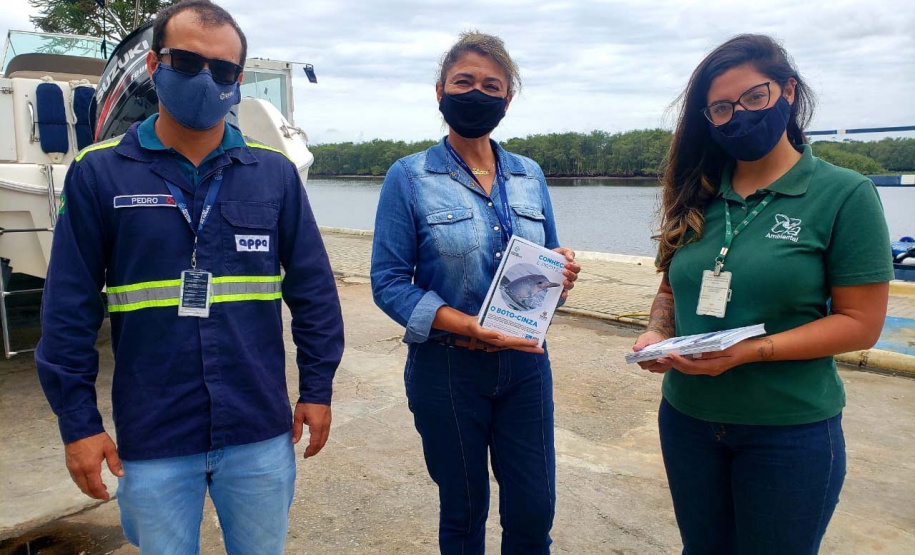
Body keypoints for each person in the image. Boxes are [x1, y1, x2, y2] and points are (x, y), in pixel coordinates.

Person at [35, 1, 344, 553]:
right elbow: (67, 313)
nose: (207, 78)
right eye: (186, 62)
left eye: (223, 70)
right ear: (154, 65)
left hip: (258, 431)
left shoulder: (272, 174)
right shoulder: (98, 174)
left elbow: (314, 291)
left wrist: (317, 388)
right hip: (154, 437)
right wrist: (78, 424)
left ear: (238, 80)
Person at [633, 34, 893, 554]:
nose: (740, 115)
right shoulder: (698, 191)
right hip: (688, 422)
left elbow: (860, 322)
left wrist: (749, 352)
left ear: (788, 91)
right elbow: (672, 281)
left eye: (755, 97)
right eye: (721, 108)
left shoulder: (844, 194)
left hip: (788, 429)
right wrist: (658, 331)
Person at [370, 31, 581, 555]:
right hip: (448, 367)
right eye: (464, 81)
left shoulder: (528, 174)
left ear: (507, 100)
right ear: (440, 91)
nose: (477, 93)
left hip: (526, 366)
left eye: (492, 85)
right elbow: (388, 281)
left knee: (534, 509)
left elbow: (549, 257)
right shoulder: (410, 176)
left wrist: (562, 274)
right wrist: (464, 323)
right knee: (464, 510)